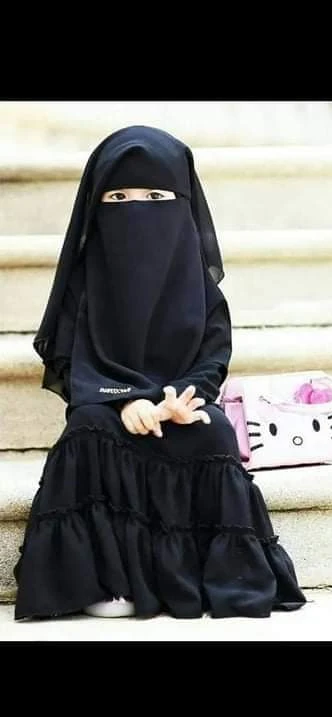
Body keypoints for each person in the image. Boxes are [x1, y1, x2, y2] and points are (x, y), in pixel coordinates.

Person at [13, 125, 306, 621]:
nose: (137, 209)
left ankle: (198, 574)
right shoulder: (84, 281)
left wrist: (178, 399)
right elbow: (66, 355)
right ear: (95, 206)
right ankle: (109, 576)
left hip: (179, 405)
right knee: (88, 427)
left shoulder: (200, 286)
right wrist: (123, 398)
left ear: (183, 203)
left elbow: (214, 356)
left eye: (155, 196)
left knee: (212, 432)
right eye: (118, 197)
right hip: (108, 403)